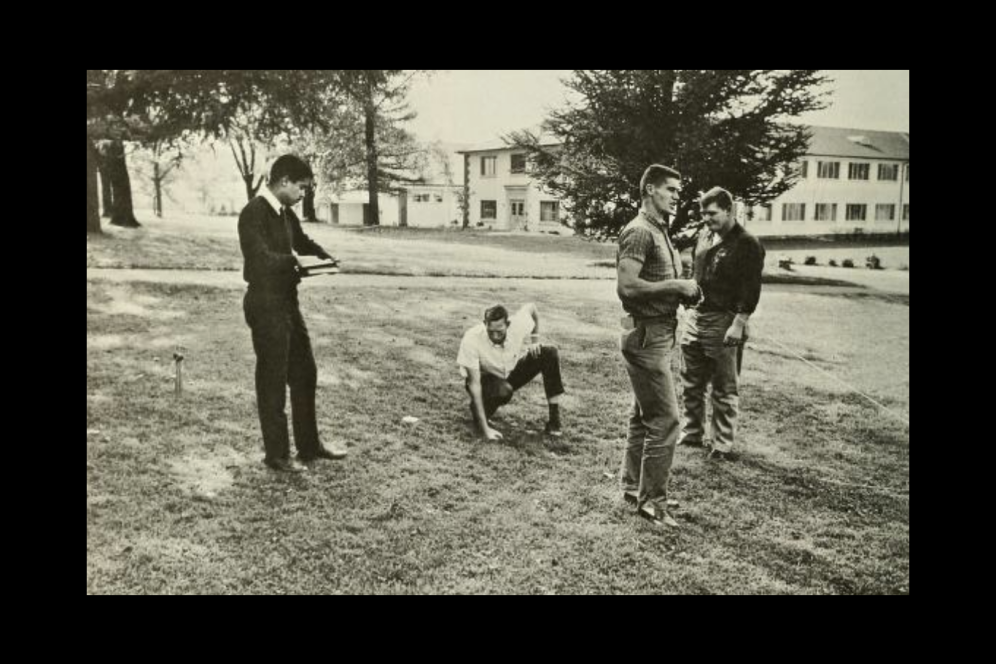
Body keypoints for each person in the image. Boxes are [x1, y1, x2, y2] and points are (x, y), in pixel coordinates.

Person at [238, 155, 346, 473]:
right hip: (265, 304)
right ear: (283, 181)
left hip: (288, 302)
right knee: (272, 381)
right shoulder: (253, 212)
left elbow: (301, 242)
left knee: (305, 373)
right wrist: (296, 263)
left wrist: (324, 257)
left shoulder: (286, 213)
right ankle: (277, 455)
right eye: (301, 187)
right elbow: (259, 260)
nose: (303, 195)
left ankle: (309, 447)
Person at [615, 164, 700, 528]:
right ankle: (653, 503)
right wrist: (676, 288)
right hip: (646, 336)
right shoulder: (638, 232)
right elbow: (628, 288)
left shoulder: (660, 229)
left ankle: (635, 487)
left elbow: (656, 282)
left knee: (643, 416)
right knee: (666, 421)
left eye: (678, 190)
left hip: (660, 332)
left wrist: (683, 292)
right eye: (670, 189)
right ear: (649, 189)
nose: (677, 195)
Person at [679, 187, 765, 461]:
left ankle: (722, 443)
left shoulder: (747, 243)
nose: (707, 219)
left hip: (724, 320)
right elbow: (697, 273)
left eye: (712, 213)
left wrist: (739, 323)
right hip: (696, 317)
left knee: (724, 386)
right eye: (703, 213)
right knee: (691, 381)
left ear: (729, 210)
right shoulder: (704, 236)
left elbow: (751, 289)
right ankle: (692, 432)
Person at [456, 303, 565, 442]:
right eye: (491, 331)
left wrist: (534, 341)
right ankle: (480, 415)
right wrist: (485, 430)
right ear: (485, 324)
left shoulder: (518, 325)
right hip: (484, 379)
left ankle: (554, 421)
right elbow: (474, 384)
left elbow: (532, 308)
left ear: (508, 324)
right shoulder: (472, 338)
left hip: (509, 372)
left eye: (500, 331)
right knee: (503, 390)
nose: (495, 336)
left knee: (549, 353)